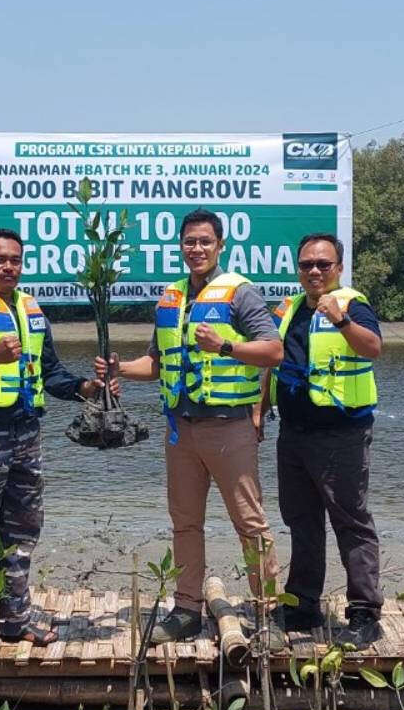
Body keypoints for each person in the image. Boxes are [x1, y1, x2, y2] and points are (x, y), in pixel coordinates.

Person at [96, 209, 284, 643]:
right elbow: (158, 364)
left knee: (250, 523)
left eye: (204, 241)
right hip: (180, 429)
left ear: (220, 245)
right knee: (184, 522)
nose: (196, 249)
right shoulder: (171, 298)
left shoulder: (241, 293)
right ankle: (186, 610)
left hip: (228, 428)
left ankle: (267, 613)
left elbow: (273, 352)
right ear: (180, 246)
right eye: (189, 242)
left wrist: (226, 345)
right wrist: (119, 368)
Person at [0, 228, 111, 647]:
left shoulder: (30, 308)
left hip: (26, 433)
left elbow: (50, 372)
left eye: (15, 260)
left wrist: (85, 388)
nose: (8, 267)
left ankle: (14, 618)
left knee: (22, 528)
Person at [263, 233, 385, 647]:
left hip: (341, 434)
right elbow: (273, 363)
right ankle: (302, 605)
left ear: (338, 268)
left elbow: (373, 349)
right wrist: (259, 411)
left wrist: (341, 320)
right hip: (294, 433)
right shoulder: (291, 308)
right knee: (301, 521)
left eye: (323, 264)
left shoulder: (352, 305)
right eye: (306, 265)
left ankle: (365, 613)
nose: (314, 271)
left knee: (351, 522)